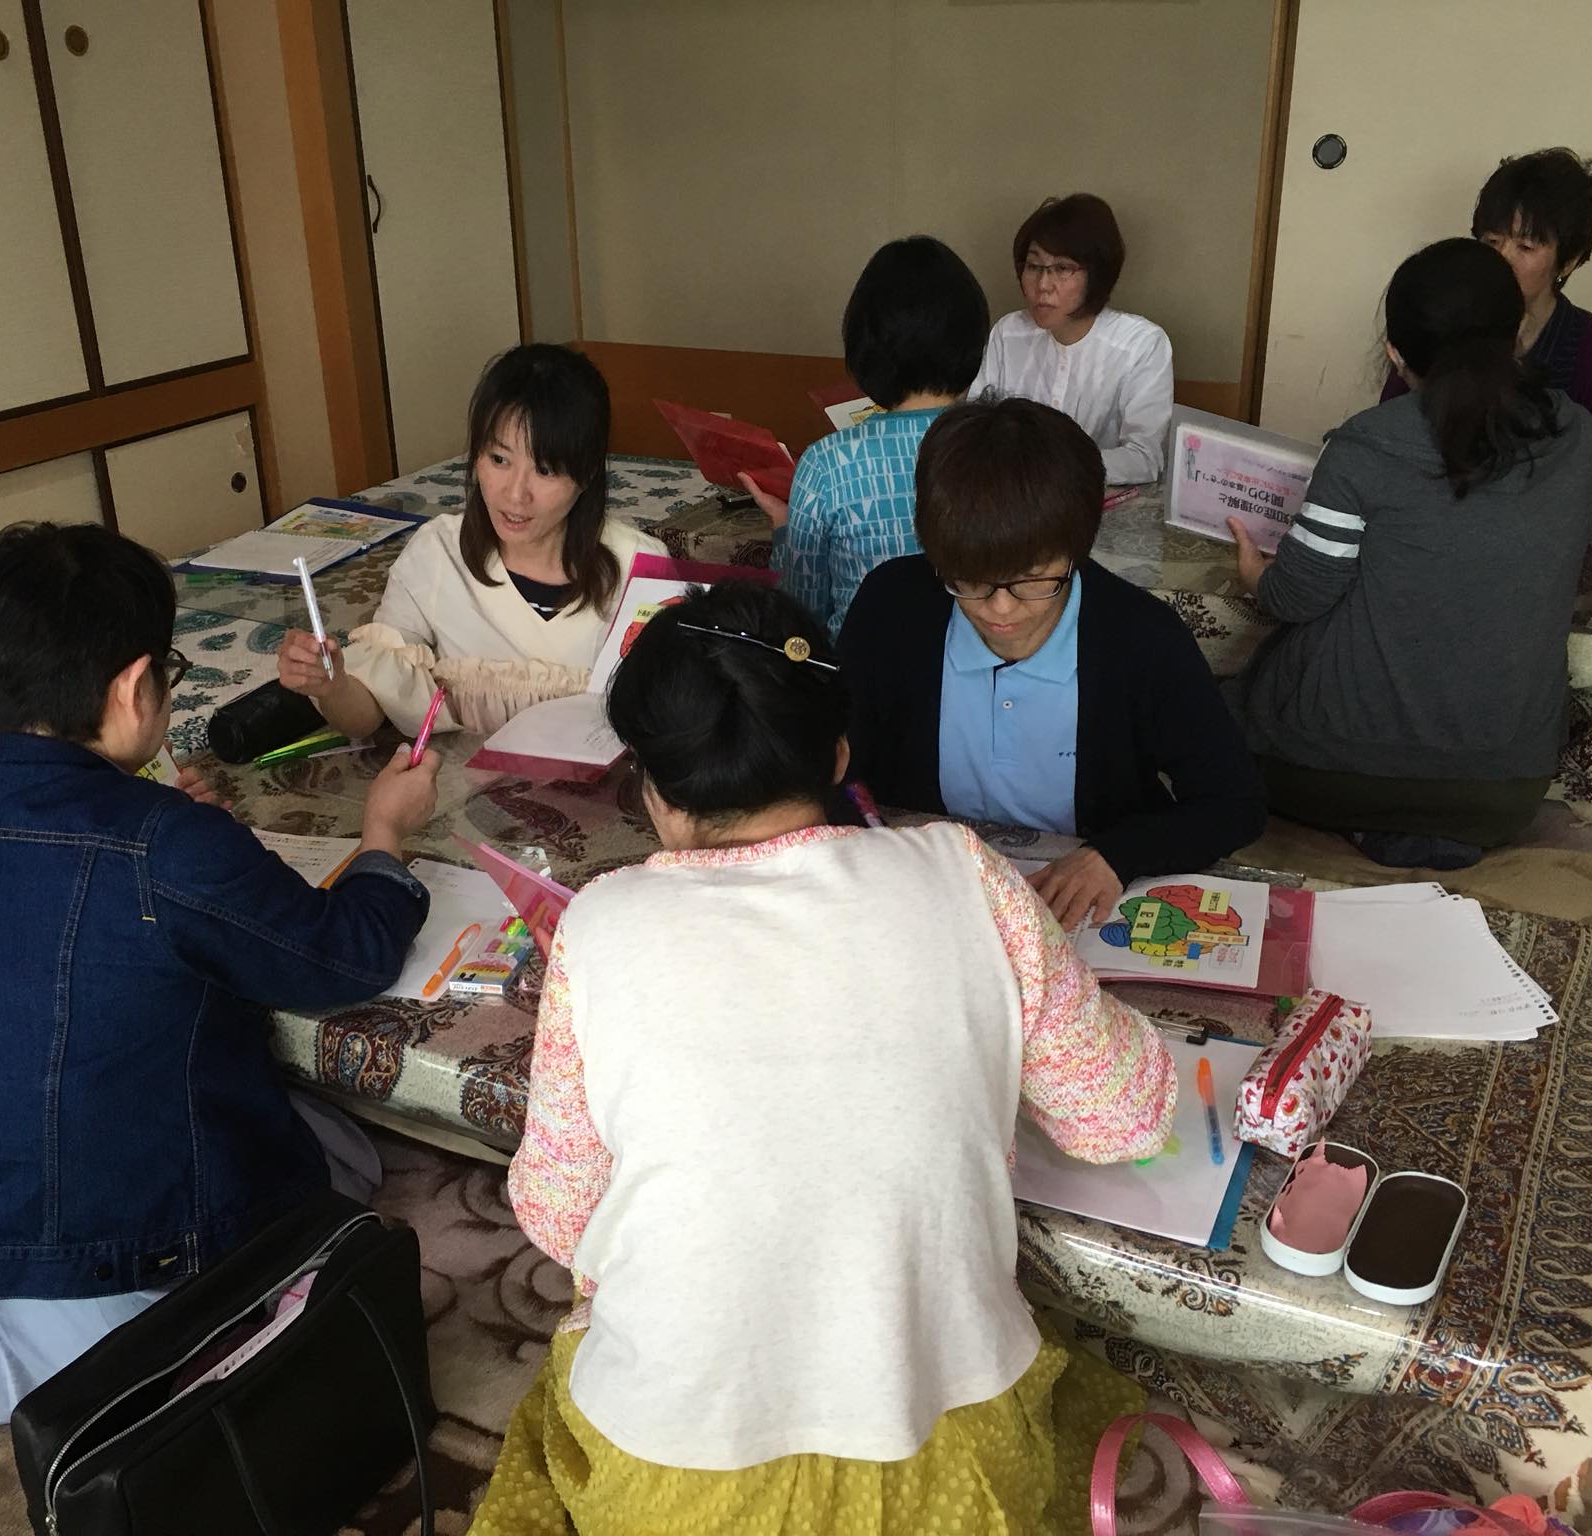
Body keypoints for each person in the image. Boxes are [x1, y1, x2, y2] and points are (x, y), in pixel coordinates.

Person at [469, 581, 1173, 1534]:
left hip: (676, 1482)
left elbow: (559, 1214)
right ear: (838, 756)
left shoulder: (600, 922)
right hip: (946, 1456)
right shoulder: (964, 871)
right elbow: (1125, 1119)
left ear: (652, 792)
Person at [0, 521, 440, 1435]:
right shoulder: (165, 844)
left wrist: (160, 826)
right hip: (101, 1328)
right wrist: (385, 835)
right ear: (131, 685)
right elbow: (343, 954)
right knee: (337, 1149)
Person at [1231, 238, 1592, 870]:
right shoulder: (1580, 439)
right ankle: (1418, 832)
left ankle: (1380, 825)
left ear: (1396, 354)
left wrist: (1255, 575)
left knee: (1222, 705)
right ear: (1519, 332)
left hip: (1331, 771)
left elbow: (1299, 596)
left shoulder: (1366, 446)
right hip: (1506, 788)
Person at [838, 398, 1265, 929]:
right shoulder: (893, 607)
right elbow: (834, 761)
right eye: (969, 579)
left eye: (1033, 578)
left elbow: (1234, 802)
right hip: (931, 892)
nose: (1000, 608)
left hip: (1077, 902)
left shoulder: (1141, 638)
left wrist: (1117, 855)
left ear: (1077, 549)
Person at [278, 344, 663, 738]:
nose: (515, 494)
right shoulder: (437, 556)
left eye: (546, 470)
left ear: (588, 473)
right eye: (499, 460)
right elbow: (368, 715)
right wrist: (332, 686)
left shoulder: (643, 571)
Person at [735, 235, 988, 636]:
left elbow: (800, 614)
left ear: (865, 344)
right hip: (988, 664)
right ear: (972, 337)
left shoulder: (827, 463)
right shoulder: (1007, 447)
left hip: (860, 668)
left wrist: (785, 526)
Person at [1383, 148, 1592, 525]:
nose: (1501, 260)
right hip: (1425, 525)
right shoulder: (1439, 318)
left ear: (1569, 261)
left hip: (1540, 539)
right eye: (1492, 242)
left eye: (1526, 247)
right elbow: (1388, 434)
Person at [969, 193, 1173, 485]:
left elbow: (1144, 458)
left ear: (1097, 274)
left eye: (1063, 268)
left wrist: (1053, 465)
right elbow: (977, 429)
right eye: (1034, 266)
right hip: (1012, 497)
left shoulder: (1141, 345)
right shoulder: (1008, 333)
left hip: (1096, 502)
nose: (1043, 285)